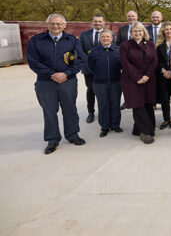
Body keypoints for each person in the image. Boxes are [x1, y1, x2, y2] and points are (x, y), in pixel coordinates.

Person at [27, 14, 86, 154]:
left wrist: (66, 73)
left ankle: (72, 135)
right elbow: (33, 61)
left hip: (68, 81)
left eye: (59, 24)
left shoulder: (72, 40)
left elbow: (81, 59)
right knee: (49, 111)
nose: (55, 26)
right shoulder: (36, 40)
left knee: (70, 109)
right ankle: (52, 139)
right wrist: (51, 74)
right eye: (52, 23)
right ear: (47, 25)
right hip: (45, 82)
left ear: (64, 25)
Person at [120, 22, 158, 144]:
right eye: (135, 31)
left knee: (148, 103)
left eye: (140, 31)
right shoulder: (125, 45)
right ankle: (145, 132)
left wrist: (147, 75)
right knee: (138, 105)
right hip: (132, 78)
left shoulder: (150, 44)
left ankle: (141, 129)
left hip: (148, 77)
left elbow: (154, 61)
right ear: (131, 33)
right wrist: (138, 77)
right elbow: (125, 63)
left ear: (144, 32)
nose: (137, 33)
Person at [87, 29, 122, 137]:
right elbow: (90, 67)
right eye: (103, 37)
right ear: (99, 38)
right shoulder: (94, 52)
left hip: (116, 82)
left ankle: (115, 125)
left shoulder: (119, 50)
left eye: (108, 37)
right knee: (103, 104)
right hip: (99, 83)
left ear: (112, 38)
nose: (105, 39)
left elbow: (123, 65)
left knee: (115, 103)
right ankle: (105, 127)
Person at [79, 14, 105, 123]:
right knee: (91, 90)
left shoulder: (109, 34)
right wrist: (89, 62)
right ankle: (91, 112)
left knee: (103, 91)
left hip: (103, 68)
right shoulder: (84, 35)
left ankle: (103, 112)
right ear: (92, 22)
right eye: (95, 21)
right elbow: (80, 50)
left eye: (100, 21)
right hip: (88, 68)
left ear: (103, 22)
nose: (97, 23)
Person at [155, 21, 171, 130]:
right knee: (164, 98)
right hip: (162, 75)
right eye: (166, 29)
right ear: (163, 31)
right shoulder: (159, 44)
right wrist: (164, 71)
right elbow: (156, 60)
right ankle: (166, 119)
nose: (169, 31)